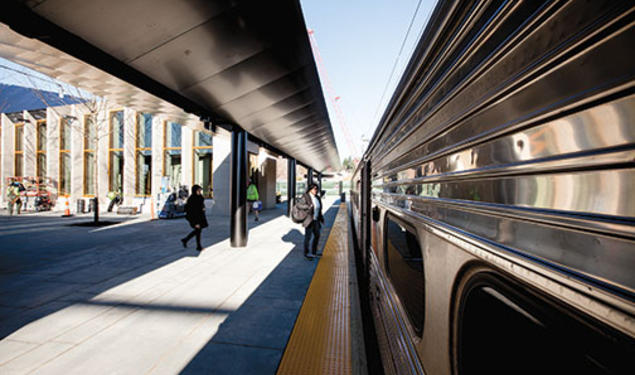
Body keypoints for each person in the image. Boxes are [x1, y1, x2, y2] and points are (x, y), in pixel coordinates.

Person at [296, 183, 324, 260]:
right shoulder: (305, 197)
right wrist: (307, 206)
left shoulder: (317, 197)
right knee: (308, 237)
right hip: (309, 220)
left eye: (317, 189)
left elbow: (319, 209)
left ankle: (314, 252)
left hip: (316, 220)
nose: (316, 190)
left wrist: (321, 218)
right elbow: (299, 205)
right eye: (314, 189)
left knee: (317, 235)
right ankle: (307, 253)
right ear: (310, 189)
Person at [181, 185, 208, 251]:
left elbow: (201, 205)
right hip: (195, 218)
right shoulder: (192, 199)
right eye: (198, 190)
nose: (199, 192)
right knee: (198, 231)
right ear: (194, 191)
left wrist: (203, 208)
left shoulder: (200, 197)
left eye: (200, 190)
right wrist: (195, 222)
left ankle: (185, 240)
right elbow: (190, 211)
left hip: (200, 217)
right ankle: (198, 246)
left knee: (197, 231)